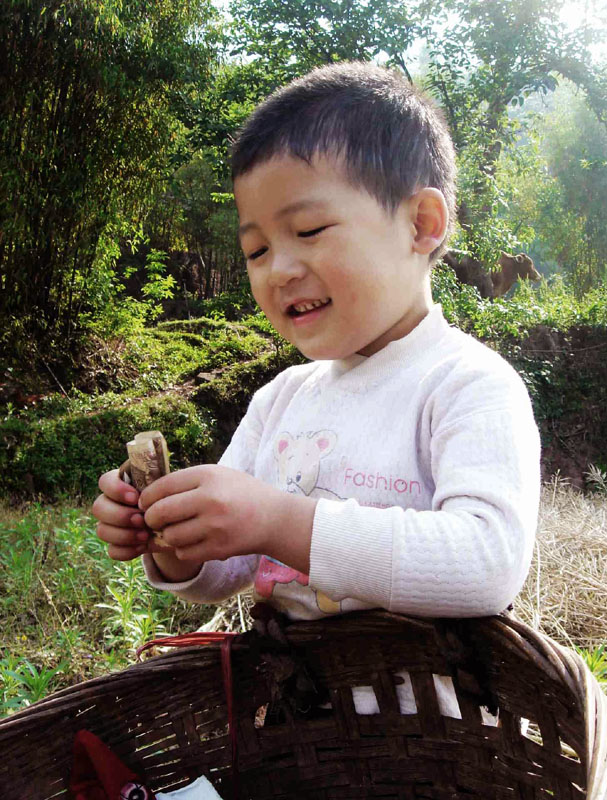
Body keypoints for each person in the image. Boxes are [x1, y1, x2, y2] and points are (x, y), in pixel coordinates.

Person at [92, 62, 540, 713]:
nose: (279, 270)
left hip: (425, 747)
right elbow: (227, 569)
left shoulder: (465, 384)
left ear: (420, 224)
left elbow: (487, 564)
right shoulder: (279, 400)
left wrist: (279, 521)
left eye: (307, 232)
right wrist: (168, 538)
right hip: (294, 730)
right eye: (255, 251)